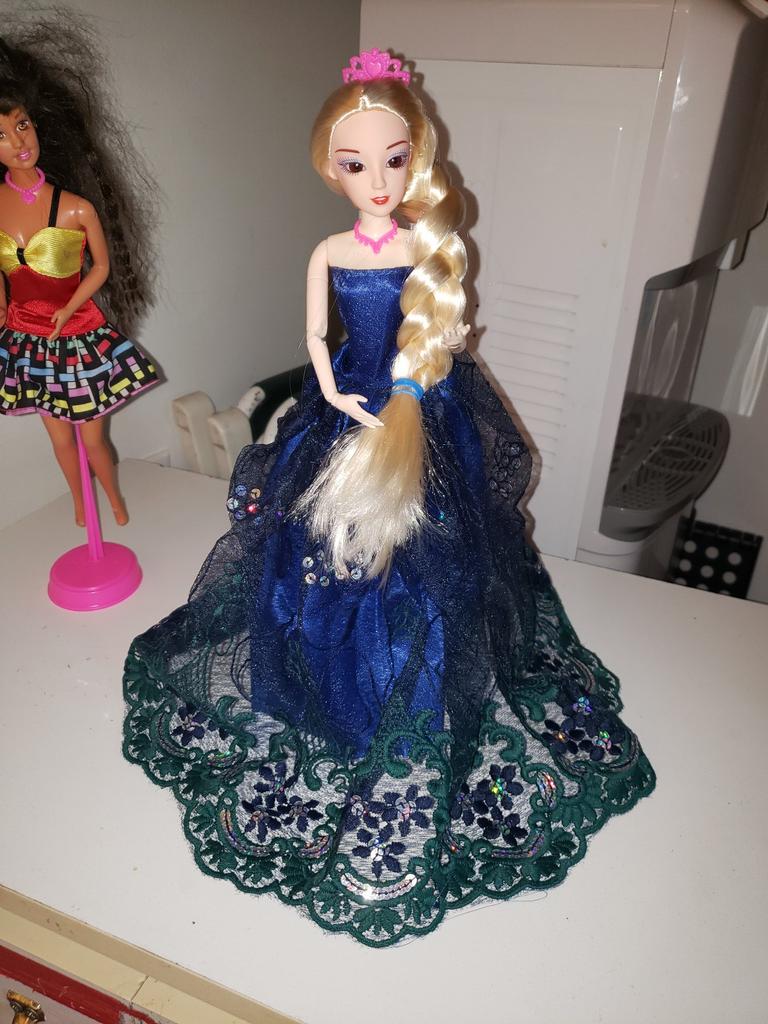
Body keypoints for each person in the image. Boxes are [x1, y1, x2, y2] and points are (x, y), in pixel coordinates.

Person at [123, 49, 655, 946]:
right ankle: (328, 691)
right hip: (351, 409)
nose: (376, 179)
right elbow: (314, 334)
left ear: (418, 158)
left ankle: (423, 688)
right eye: (355, 162)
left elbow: (441, 330)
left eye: (394, 159)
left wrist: (420, 378)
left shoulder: (425, 246)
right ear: (329, 168)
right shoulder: (329, 251)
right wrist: (333, 393)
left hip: (420, 406)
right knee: (317, 549)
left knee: (435, 553)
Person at [0, 20, 158, 526]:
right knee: (59, 439)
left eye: (22, 125)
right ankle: (78, 501)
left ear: (39, 124)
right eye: (1, 134)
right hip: (28, 338)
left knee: (92, 438)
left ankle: (111, 497)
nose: (18, 141)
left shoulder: (74, 208)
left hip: (78, 335)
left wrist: (70, 306)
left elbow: (102, 266)